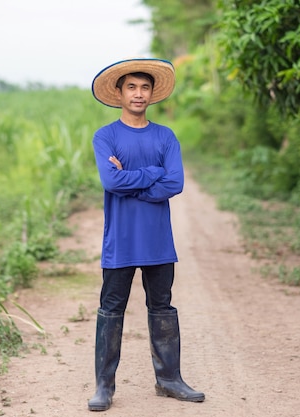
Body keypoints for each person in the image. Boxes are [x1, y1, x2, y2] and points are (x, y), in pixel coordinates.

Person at [88, 58, 205, 412]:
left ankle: (169, 379)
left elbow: (175, 182)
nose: (138, 94)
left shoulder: (165, 136)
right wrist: (152, 174)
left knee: (163, 308)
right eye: (132, 88)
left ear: (152, 94)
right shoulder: (105, 136)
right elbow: (111, 181)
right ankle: (104, 388)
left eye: (144, 88)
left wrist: (133, 181)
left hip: (158, 242)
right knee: (111, 310)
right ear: (120, 93)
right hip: (120, 243)